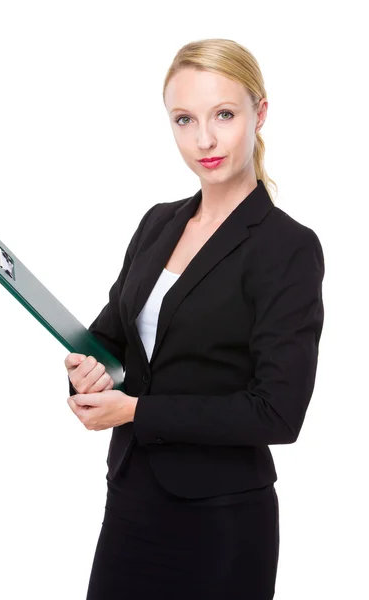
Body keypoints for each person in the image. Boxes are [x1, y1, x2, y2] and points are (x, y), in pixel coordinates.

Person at [65, 38, 325, 600]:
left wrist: (136, 409)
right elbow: (111, 339)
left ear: (260, 114)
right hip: (131, 505)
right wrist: (85, 371)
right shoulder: (158, 223)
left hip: (221, 524)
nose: (203, 140)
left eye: (223, 115)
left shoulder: (286, 248)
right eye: (184, 119)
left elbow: (279, 412)